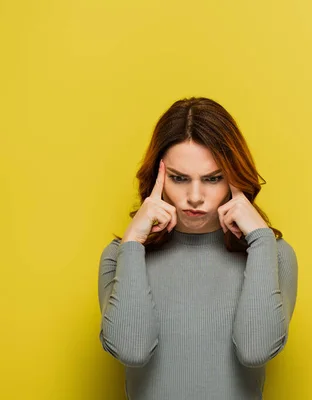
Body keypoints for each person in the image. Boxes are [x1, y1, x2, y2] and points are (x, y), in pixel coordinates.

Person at [97, 97, 299, 400]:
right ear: (158, 178)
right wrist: (133, 244)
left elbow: (256, 350)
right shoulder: (121, 255)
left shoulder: (273, 254)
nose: (194, 196)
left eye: (213, 178)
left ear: (234, 177)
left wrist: (259, 238)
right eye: (179, 178)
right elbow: (132, 349)